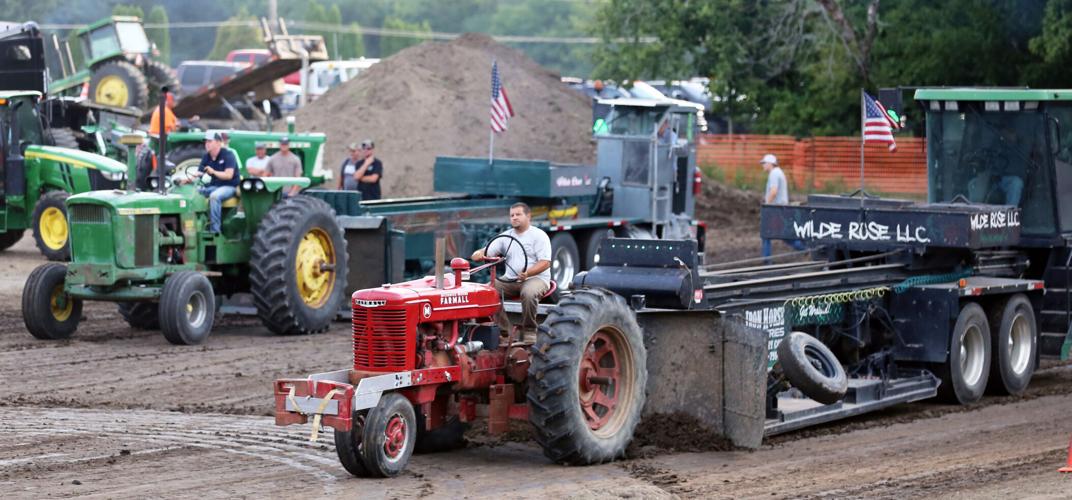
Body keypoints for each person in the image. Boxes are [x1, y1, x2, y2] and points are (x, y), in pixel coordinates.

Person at [470, 202, 551, 343]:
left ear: (528, 216)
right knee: (488, 292)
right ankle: (505, 332)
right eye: (512, 215)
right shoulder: (506, 237)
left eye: (518, 214)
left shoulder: (539, 236)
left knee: (529, 293)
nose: (514, 218)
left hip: (536, 279)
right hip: (511, 280)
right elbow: (487, 250)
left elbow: (545, 262)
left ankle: (530, 330)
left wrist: (528, 273)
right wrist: (478, 253)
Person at [177, 131, 239, 234]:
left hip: (229, 186)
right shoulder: (207, 156)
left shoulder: (228, 155)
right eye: (206, 142)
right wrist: (186, 180)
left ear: (219, 143)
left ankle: (215, 231)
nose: (207, 144)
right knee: (195, 192)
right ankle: (193, 226)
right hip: (214, 186)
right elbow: (198, 173)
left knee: (214, 196)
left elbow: (229, 175)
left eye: (210, 141)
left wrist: (213, 172)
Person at [760, 153, 805, 262]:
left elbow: (774, 191)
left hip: (776, 209)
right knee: (783, 235)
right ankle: (804, 248)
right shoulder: (778, 172)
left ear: (771, 163)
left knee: (767, 234)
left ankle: (767, 261)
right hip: (780, 209)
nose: (763, 165)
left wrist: (766, 204)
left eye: (764, 163)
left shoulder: (774, 174)